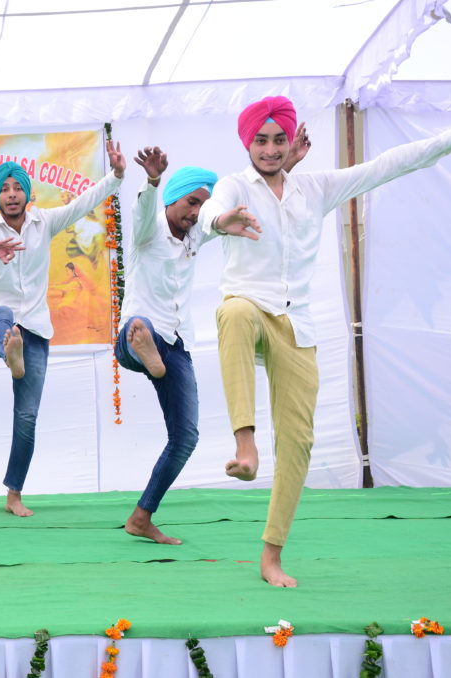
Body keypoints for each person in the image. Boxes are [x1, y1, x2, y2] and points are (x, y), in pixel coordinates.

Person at [199, 96, 451, 587]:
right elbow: (213, 205)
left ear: (291, 142)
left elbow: (386, 166)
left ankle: (272, 555)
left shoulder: (314, 188)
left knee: (300, 442)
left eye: (278, 140)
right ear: (247, 142)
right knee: (233, 310)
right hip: (251, 309)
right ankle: (245, 445)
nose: (270, 149)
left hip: (298, 326)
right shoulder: (234, 186)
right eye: (261, 140)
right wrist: (218, 221)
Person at [115, 138, 309, 545]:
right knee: (138, 330)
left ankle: (140, 517)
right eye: (190, 202)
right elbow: (143, 210)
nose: (195, 212)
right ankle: (143, 350)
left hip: (175, 346)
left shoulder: (193, 237)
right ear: (171, 199)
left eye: (203, 204)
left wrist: (284, 165)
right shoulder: (148, 233)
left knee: (186, 437)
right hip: (137, 333)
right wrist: (152, 180)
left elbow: (238, 206)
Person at [0, 142, 125, 517]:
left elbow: (83, 203)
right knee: (5, 315)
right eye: (4, 190)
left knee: (27, 415)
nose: (11, 195)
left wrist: (116, 176)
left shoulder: (45, 222)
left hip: (36, 328)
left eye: (17, 188)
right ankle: (9, 350)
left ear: (27, 193)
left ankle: (14, 495)